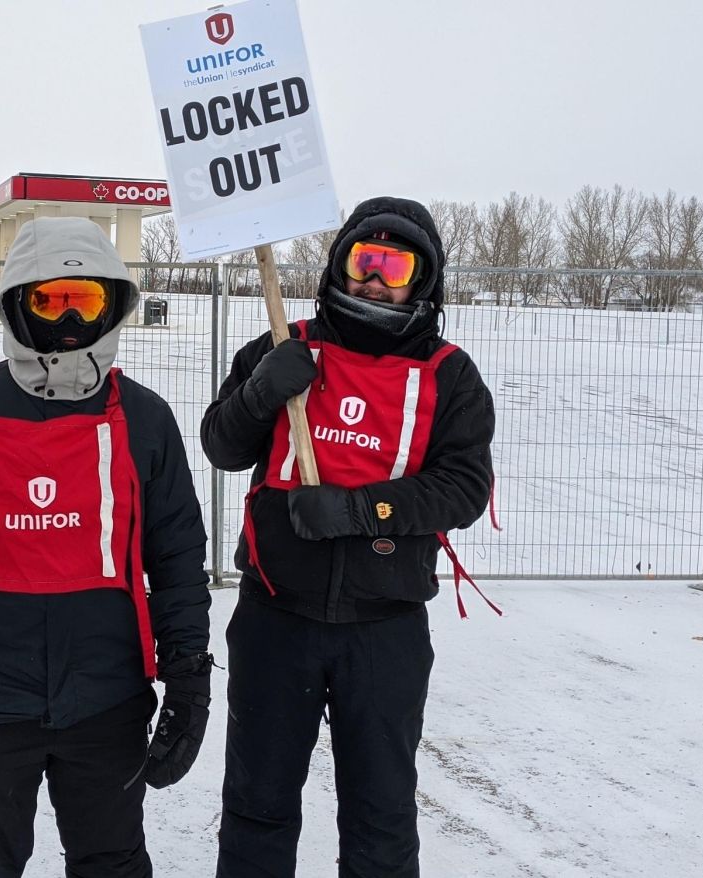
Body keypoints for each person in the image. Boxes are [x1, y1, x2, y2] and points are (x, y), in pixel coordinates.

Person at [0, 216, 213, 878]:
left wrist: (190, 676)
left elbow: (177, 562)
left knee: (111, 862)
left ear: (111, 305)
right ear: (15, 303)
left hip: (108, 702)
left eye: (83, 301)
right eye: (47, 300)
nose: (67, 321)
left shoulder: (145, 419)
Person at [201, 197, 496, 877]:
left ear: (422, 280)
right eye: (365, 260)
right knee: (257, 805)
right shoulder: (284, 344)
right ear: (340, 264)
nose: (375, 279)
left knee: (381, 815)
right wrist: (258, 395)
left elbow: (464, 487)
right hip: (276, 619)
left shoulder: (450, 375)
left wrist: (364, 510)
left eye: (395, 267)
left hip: (383, 629)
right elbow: (221, 443)